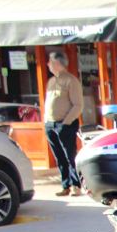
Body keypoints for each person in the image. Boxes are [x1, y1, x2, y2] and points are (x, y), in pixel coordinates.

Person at [43, 51, 83, 196]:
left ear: (57, 63)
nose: (48, 64)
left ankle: (76, 185)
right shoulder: (51, 81)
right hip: (50, 124)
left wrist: (66, 123)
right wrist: (46, 121)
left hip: (65, 124)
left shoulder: (71, 81)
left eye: (50, 61)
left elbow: (78, 105)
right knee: (59, 157)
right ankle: (65, 185)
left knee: (69, 155)